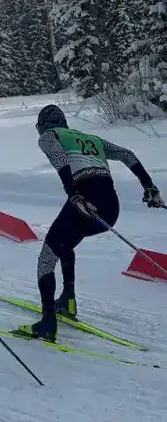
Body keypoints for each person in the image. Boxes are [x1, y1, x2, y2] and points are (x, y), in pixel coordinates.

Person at [25, 104, 164, 342]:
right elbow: (127, 154)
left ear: (44, 125)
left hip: (84, 200)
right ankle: (68, 301)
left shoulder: (50, 136)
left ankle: (48, 322)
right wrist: (149, 186)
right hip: (111, 208)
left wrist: (74, 193)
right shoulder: (90, 138)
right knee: (64, 243)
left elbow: (59, 159)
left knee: (46, 258)